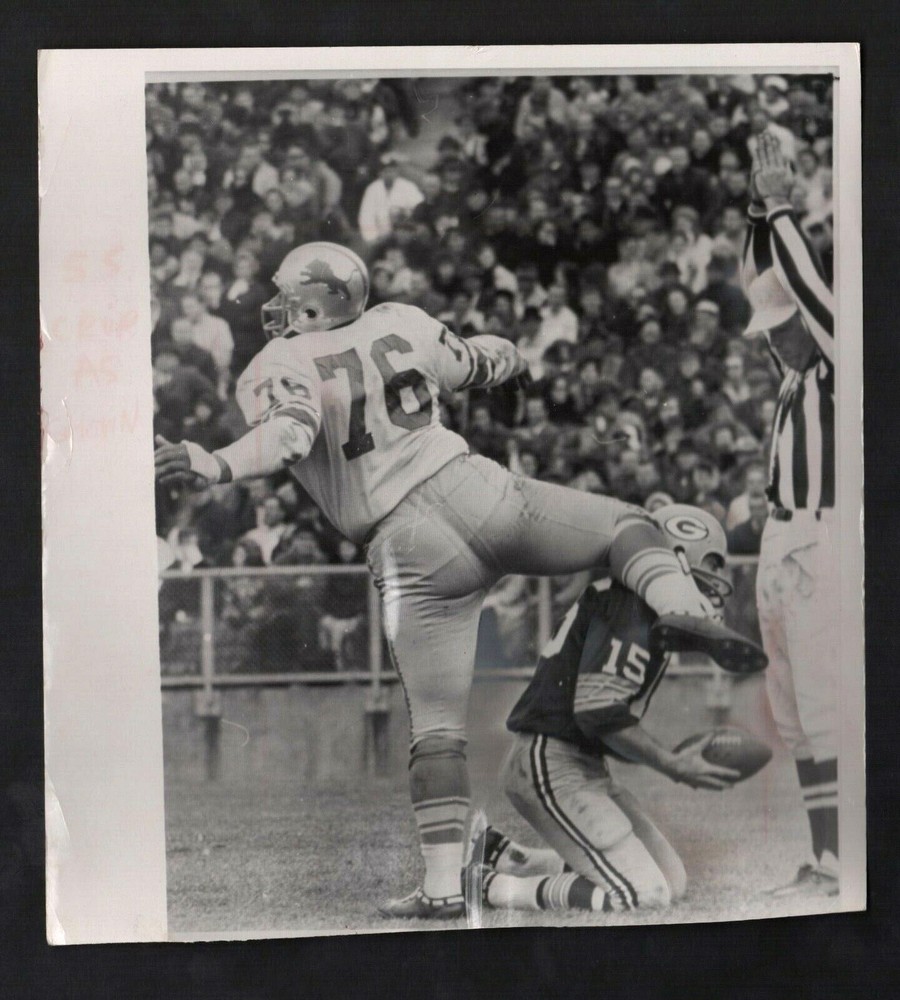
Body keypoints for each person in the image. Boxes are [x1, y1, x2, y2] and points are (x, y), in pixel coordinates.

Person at [155, 240, 764, 920]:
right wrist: (508, 354)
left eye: (285, 294)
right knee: (626, 525)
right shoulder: (402, 321)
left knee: (437, 731)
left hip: (405, 548)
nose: (273, 305)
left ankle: (446, 885)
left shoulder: (280, 361)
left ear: (313, 300)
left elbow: (289, 437)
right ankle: (681, 605)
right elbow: (480, 360)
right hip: (476, 490)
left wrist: (212, 461)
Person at [465, 505, 748, 916]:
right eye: (711, 564)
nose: (716, 580)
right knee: (643, 894)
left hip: (580, 765)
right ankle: (493, 887)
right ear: (678, 557)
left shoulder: (634, 605)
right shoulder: (630, 610)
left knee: (672, 880)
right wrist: (672, 764)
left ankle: (510, 856)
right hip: (552, 764)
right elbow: (598, 712)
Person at [742, 132, 839, 898]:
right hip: (783, 539)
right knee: (795, 711)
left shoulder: (845, 358)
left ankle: (843, 860)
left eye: (781, 332)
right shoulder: (794, 378)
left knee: (826, 704)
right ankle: (822, 856)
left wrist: (780, 206)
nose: (772, 342)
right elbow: (767, 287)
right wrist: (753, 215)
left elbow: (804, 289)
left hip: (826, 536)